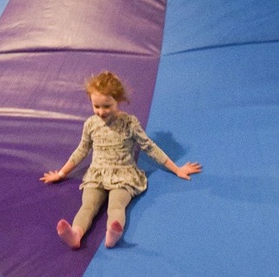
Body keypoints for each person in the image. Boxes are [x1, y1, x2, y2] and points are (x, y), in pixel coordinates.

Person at [41, 71, 202, 249]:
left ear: (118, 101)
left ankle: (113, 232)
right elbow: (82, 150)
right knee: (87, 206)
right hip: (97, 174)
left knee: (116, 206)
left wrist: (177, 169)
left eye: (107, 106)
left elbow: (150, 147)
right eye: (96, 106)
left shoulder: (130, 123)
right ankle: (76, 234)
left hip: (124, 175)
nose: (101, 112)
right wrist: (62, 173)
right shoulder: (91, 124)